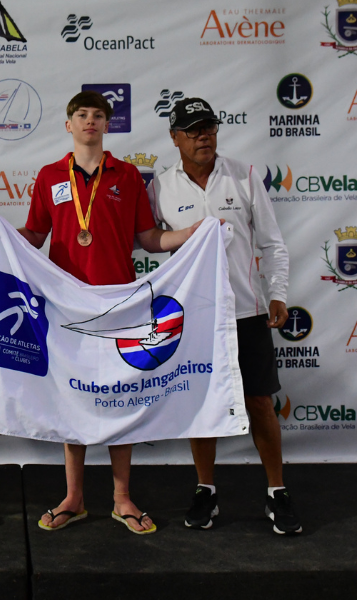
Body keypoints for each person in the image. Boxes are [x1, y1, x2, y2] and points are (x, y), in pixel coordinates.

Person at [17, 91, 204, 535]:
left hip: (122, 301)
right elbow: (35, 236)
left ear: (108, 125)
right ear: (69, 124)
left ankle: (121, 497)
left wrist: (193, 234)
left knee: (122, 396)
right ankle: (74, 497)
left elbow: (149, 238)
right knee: (73, 398)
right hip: (67, 306)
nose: (89, 122)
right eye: (81, 114)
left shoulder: (128, 178)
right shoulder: (48, 177)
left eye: (98, 116)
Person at [148, 97, 299, 535]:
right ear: (174, 138)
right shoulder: (161, 187)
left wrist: (278, 294)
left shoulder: (245, 175)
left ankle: (277, 490)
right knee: (202, 402)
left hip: (247, 312)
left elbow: (272, 244)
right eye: (192, 130)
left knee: (259, 402)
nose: (203, 136)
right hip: (193, 314)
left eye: (209, 127)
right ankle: (206, 489)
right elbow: (148, 239)